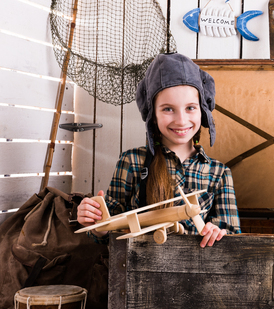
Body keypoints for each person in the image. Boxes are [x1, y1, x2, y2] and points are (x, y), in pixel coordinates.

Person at [77, 53, 241, 247]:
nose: (181, 120)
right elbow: (106, 235)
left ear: (202, 110)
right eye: (168, 109)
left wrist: (219, 233)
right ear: (152, 114)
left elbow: (232, 237)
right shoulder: (131, 161)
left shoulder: (219, 173)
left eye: (190, 108)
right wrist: (95, 221)